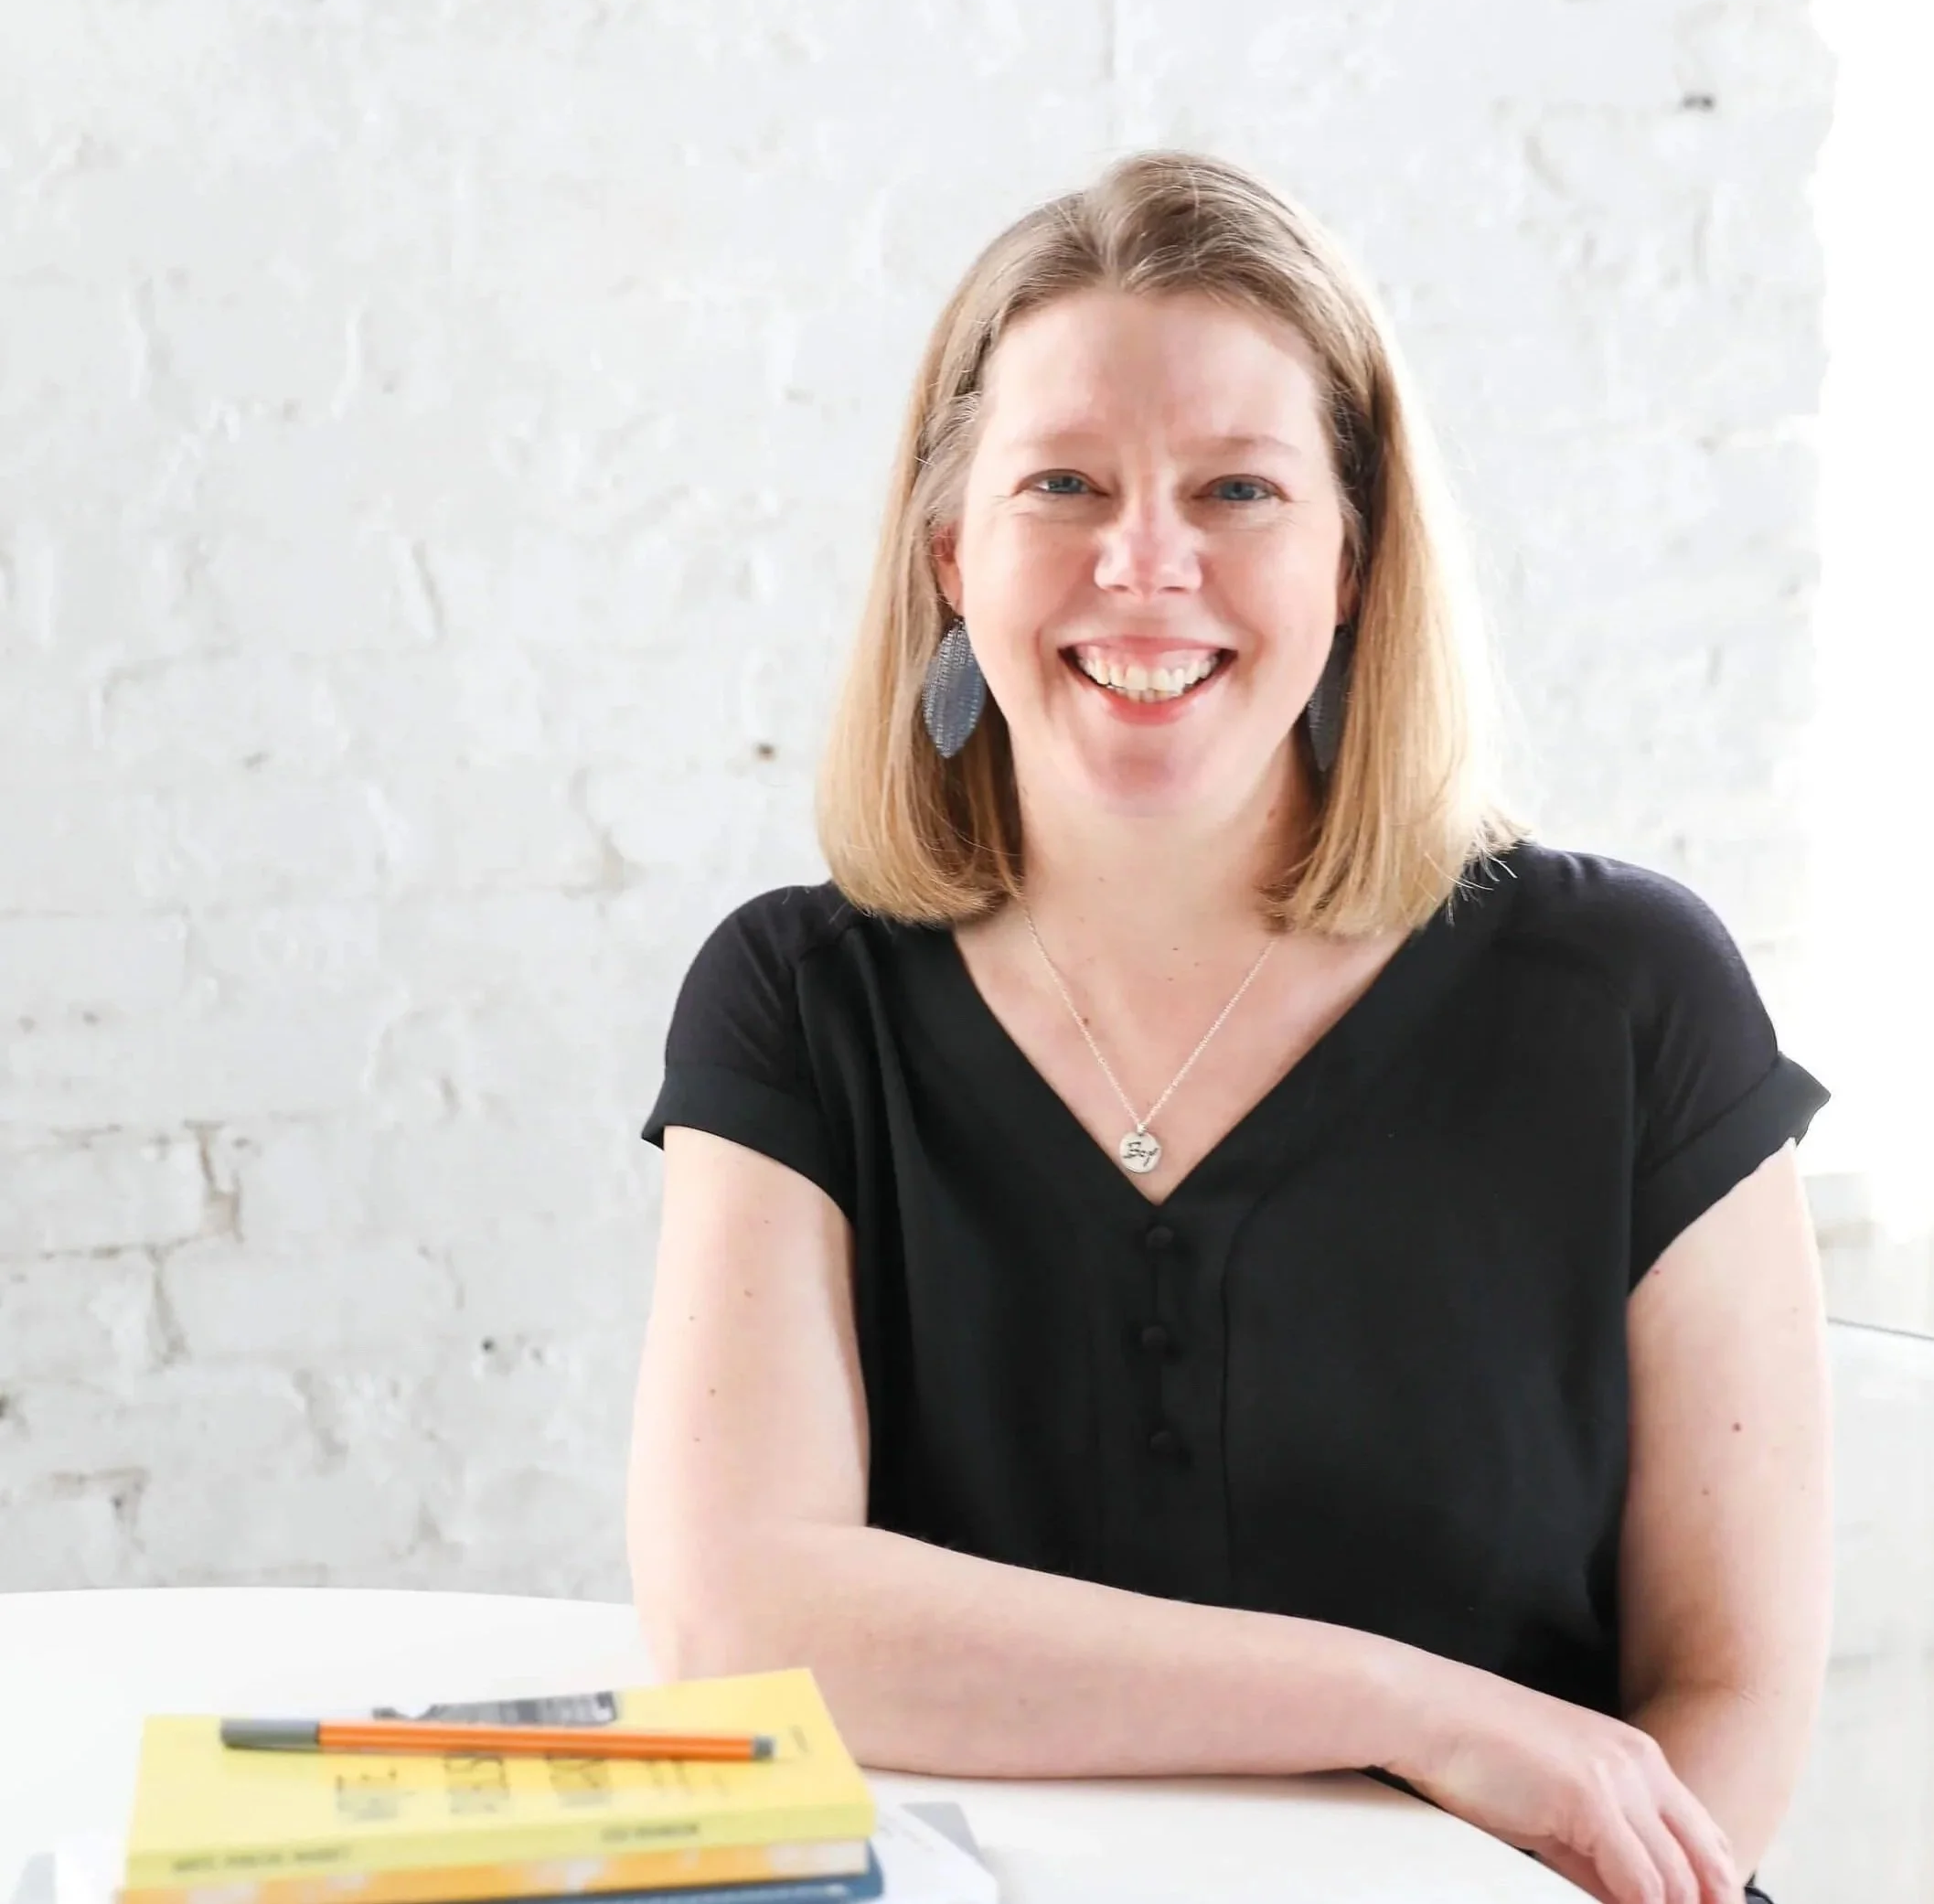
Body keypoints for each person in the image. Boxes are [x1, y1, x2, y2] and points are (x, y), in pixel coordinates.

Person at [630, 150, 1832, 1904]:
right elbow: (741, 1618)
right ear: (952, 553)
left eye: (1237, 490)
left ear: (1352, 558)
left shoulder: (1630, 995)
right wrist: (1403, 1708)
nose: (1144, 563)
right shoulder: (799, 1004)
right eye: (1063, 483)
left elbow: (1726, 1704)